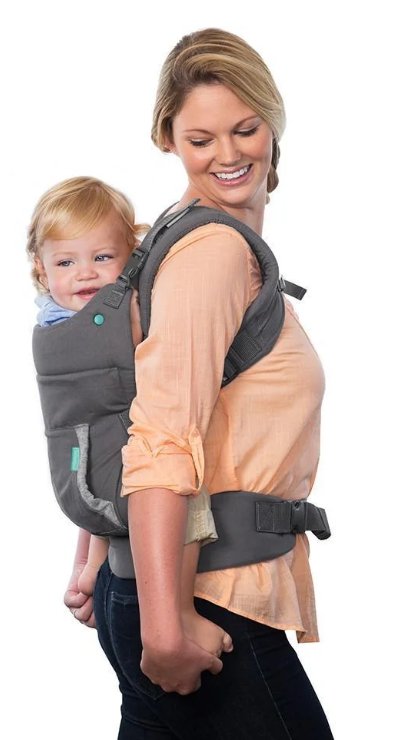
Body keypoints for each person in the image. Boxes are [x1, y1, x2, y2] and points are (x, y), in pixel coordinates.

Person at [90, 28, 334, 739]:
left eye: (245, 129)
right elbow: (161, 434)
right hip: (206, 606)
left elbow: (121, 401)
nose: (228, 155)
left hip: (166, 591)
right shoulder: (213, 253)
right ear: (166, 138)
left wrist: (98, 561)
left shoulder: (184, 237)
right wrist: (165, 628)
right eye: (201, 139)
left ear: (273, 122)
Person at [28, 176, 232, 655]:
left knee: (116, 464)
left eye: (102, 257)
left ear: (130, 252)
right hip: (112, 472)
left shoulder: (51, 317)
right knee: (177, 475)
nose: (85, 274)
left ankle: (91, 565)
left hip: (83, 474)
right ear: (41, 269)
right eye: (66, 262)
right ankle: (180, 610)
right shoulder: (118, 313)